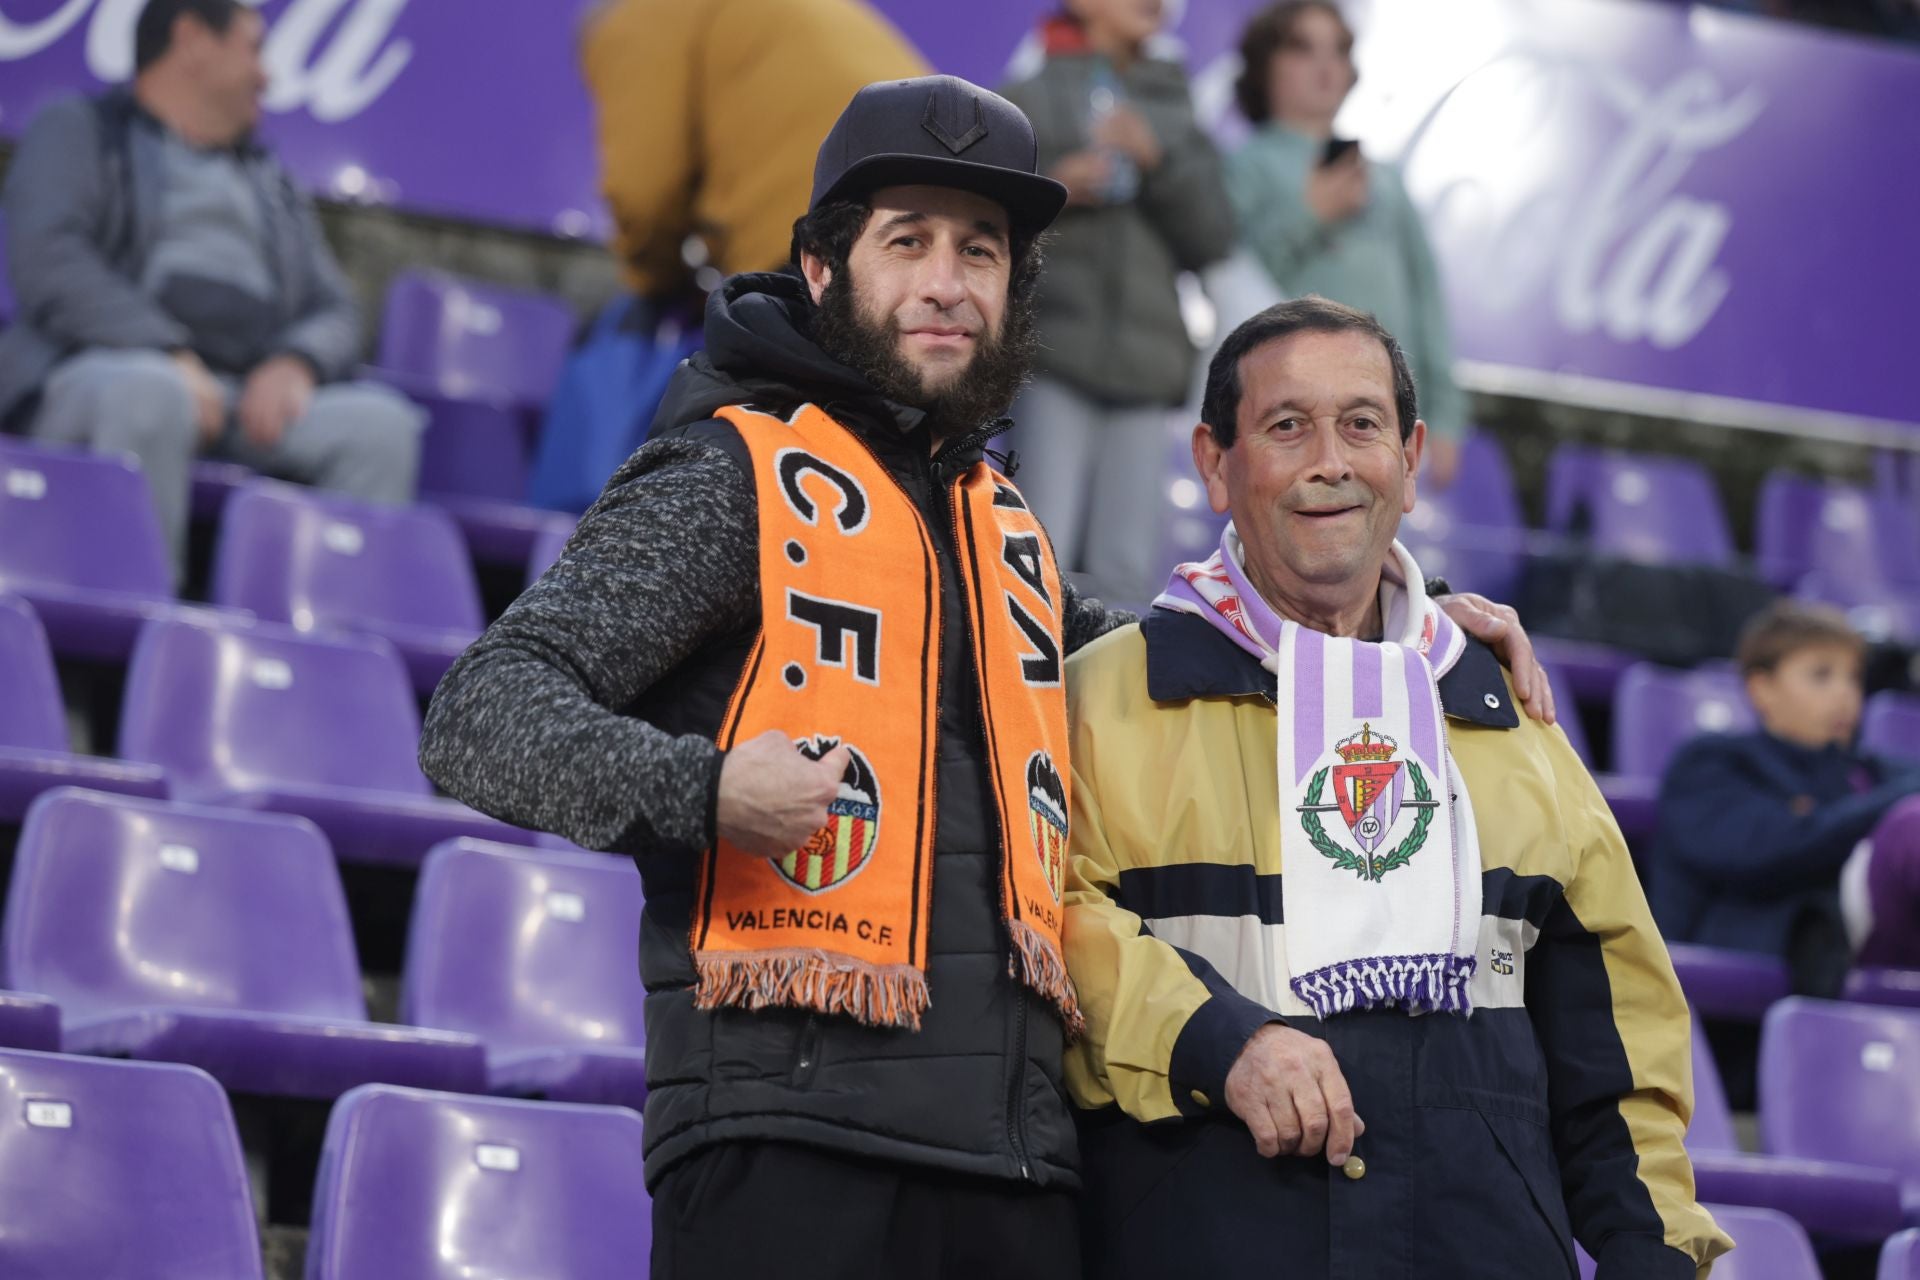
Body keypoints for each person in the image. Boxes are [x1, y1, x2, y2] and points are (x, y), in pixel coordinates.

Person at [418, 78, 1549, 1276]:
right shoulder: (726, 474)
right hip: (791, 1155)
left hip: (1019, 1170)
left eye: (981, 250)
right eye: (907, 242)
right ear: (821, 266)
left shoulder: (999, 523)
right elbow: (481, 709)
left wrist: (1395, 640)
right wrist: (704, 791)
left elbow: (1172, 659)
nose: (949, 282)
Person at [1060, 297, 1727, 1279]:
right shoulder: (1105, 694)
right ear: (1214, 461)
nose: (1331, 458)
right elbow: (1048, 923)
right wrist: (1218, 1039)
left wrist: (1654, 1257)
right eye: (1288, 426)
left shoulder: (1503, 714)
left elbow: (1616, 1046)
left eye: (1362, 423)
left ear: (1411, 460)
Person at [0, 0, 423, 578]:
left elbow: (336, 309)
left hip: (238, 399)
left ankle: (324, 654)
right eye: (254, 47)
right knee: (151, 393)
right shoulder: (77, 129)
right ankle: (139, 633)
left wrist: (297, 362)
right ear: (193, 39)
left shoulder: (270, 180)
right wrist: (166, 352)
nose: (268, 75)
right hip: (97, 372)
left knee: (382, 427)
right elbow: (50, 262)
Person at [999, 0, 1236, 602]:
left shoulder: (1175, 105)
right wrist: (1055, 188)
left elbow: (1213, 235)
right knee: (1035, 550)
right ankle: (1019, 690)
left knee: (1126, 573)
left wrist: (1158, 160)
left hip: (1145, 366)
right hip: (1051, 353)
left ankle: (1107, 696)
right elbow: (985, 227)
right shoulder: (1025, 94)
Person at [1225, 1, 1468, 487]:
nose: (1325, 65)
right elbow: (1232, 286)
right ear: (1263, 64)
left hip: (1385, 410)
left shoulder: (1386, 181)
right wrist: (1309, 216)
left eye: (1339, 50)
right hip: (1289, 411)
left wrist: (1445, 417)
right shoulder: (1244, 167)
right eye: (1302, 48)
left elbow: (1427, 299)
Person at [1652, 600, 1920, 998]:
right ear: (1761, 688)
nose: (1845, 694)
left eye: (1854, 677)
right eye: (1821, 675)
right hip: (1793, 942)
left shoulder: (1878, 770)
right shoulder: (1712, 763)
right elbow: (1773, 851)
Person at [580, 0, 928, 296]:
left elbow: (644, 192)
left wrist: (651, 284)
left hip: (816, 242)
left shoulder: (636, 17)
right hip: (944, 232)